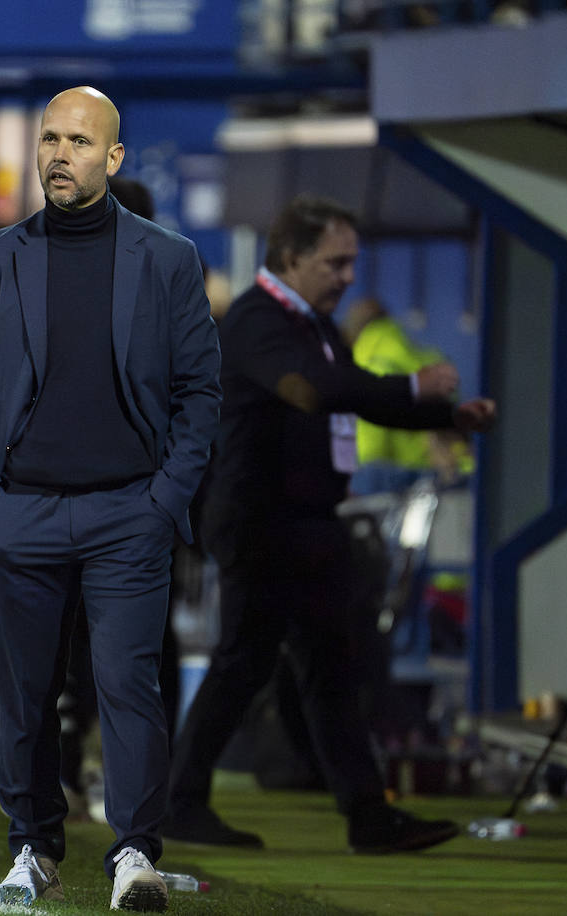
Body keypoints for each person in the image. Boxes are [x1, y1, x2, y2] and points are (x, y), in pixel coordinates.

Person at [0, 86, 221, 912]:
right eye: (50, 139)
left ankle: (135, 851)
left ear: (113, 157)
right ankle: (33, 849)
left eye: (80, 142)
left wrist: (165, 498)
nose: (61, 155)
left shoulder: (167, 259)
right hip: (21, 509)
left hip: (129, 513)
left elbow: (200, 394)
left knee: (130, 687)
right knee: (24, 698)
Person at [164, 193, 495, 855]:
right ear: (290, 259)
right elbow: (316, 390)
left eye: (352, 263)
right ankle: (179, 801)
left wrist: (443, 419)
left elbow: (347, 391)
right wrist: (413, 392)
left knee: (330, 672)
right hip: (262, 523)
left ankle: (368, 815)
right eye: (336, 263)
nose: (349, 277)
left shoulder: (310, 323)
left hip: (308, 523)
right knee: (244, 666)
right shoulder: (260, 320)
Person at [340, 297, 473, 495]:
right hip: (452, 477)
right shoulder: (430, 359)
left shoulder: (367, 371)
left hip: (404, 490)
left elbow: (372, 454)